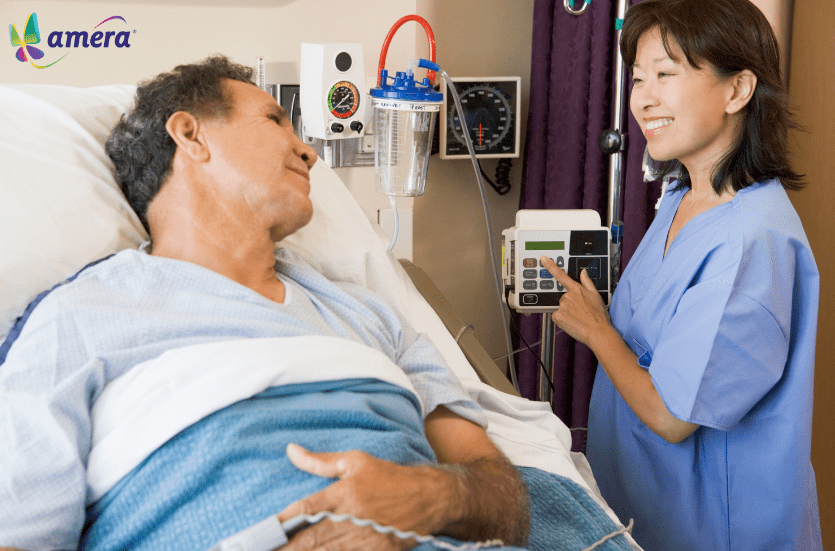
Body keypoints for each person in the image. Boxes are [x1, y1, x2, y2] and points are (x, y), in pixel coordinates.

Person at [0, 56, 530, 551]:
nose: (309, 151)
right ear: (190, 134)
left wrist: (433, 495)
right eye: (275, 121)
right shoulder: (81, 316)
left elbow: (503, 498)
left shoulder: (372, 317)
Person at [541, 0, 822, 549]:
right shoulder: (681, 194)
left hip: (717, 528)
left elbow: (672, 417)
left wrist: (596, 329)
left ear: (738, 90)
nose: (643, 98)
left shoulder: (749, 244)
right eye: (639, 78)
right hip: (648, 507)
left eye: (666, 75)